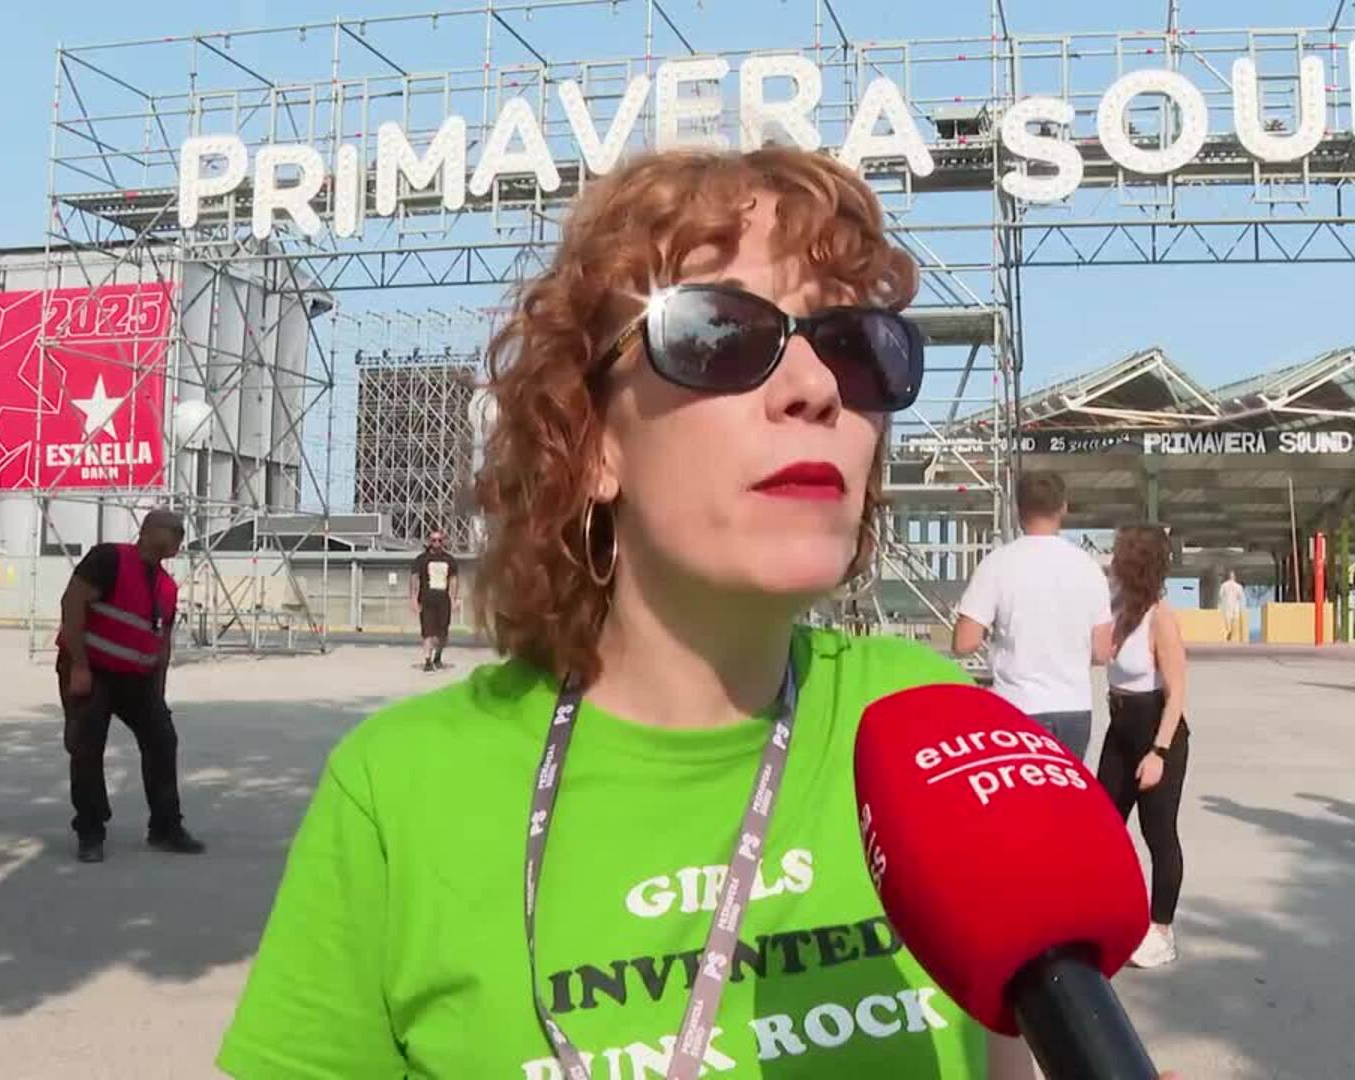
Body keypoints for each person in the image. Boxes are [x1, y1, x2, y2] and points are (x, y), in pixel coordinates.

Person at [216, 147, 1038, 1078]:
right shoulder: (399, 793)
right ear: (592, 443)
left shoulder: (946, 732)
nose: (816, 389)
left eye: (855, 347)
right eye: (723, 335)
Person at [55, 508, 204, 864]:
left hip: (136, 679)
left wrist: (159, 692)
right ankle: (90, 831)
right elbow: (72, 603)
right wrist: (79, 665)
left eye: (181, 533)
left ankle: (165, 827)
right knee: (87, 746)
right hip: (91, 669)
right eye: (173, 530)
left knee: (162, 740)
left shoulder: (167, 587)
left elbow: (162, 642)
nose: (179, 538)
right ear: (148, 530)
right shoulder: (109, 559)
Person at [952, 472, 1112, 756]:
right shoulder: (1088, 567)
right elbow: (1101, 652)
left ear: (1018, 509)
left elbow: (964, 643)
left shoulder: (997, 564)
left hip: (1017, 706)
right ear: (1063, 507)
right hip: (1074, 709)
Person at [1102, 526, 1192, 968]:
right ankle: (1114, 913)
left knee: (1158, 834)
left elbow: (1177, 694)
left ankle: (1162, 930)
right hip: (1119, 727)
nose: (1112, 560)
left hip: (1157, 731)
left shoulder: (1160, 617)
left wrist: (1158, 753)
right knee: (1103, 828)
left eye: (1119, 554)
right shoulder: (1116, 607)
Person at [410, 529, 460, 671]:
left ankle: (437, 657)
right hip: (427, 600)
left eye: (439, 540)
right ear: (429, 542)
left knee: (442, 634)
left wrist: (453, 599)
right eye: (433, 540)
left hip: (443, 600)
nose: (436, 543)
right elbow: (414, 578)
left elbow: (454, 580)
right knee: (428, 632)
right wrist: (413, 598)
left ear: (443, 542)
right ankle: (427, 660)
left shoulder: (449, 560)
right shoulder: (421, 559)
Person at [1217, 569, 1246, 643]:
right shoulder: (1238, 586)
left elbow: (1220, 595)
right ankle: (1231, 631)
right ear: (1234, 577)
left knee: (1227, 620)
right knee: (1234, 619)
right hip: (1235, 605)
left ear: (1228, 577)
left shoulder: (1224, 585)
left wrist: (1220, 604)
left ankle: (1229, 631)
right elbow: (1241, 597)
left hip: (1226, 605)